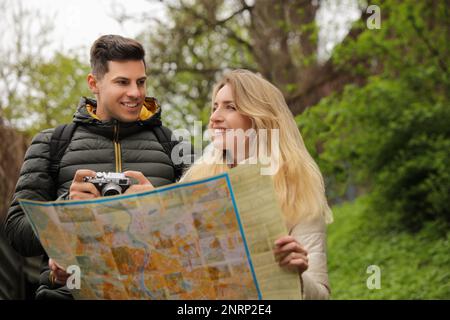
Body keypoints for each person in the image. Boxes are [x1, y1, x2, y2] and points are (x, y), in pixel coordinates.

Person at [4, 35, 187, 299]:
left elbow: (206, 229)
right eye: (122, 82)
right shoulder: (52, 143)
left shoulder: (174, 145)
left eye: (141, 82)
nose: (135, 93)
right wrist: (65, 208)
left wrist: (159, 207)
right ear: (94, 83)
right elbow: (16, 233)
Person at [181, 69, 333, 299]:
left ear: (259, 118)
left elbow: (321, 295)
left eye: (230, 107)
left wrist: (297, 276)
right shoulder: (197, 180)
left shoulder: (298, 191)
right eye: (215, 107)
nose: (214, 118)